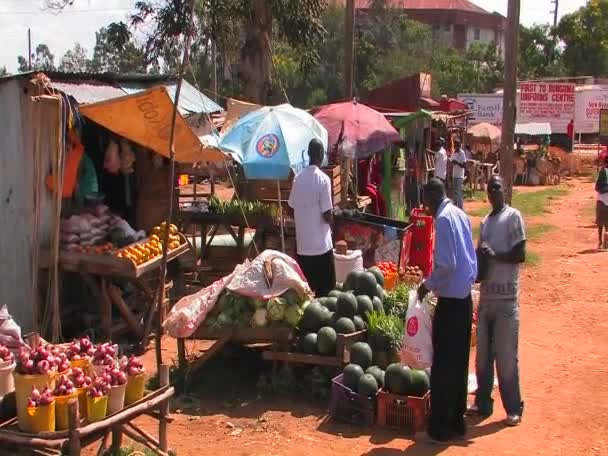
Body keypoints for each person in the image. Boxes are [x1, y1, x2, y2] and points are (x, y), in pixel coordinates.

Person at [417, 178, 477, 443]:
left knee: (442, 365)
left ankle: (439, 427)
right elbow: (470, 259)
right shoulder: (460, 213)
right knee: (459, 363)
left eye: (424, 201)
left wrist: (426, 286)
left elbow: (447, 265)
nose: (424, 207)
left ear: (431, 196)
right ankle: (457, 420)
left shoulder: (442, 219)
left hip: (451, 303)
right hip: (464, 300)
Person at [468, 175, 526, 427]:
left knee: (505, 358)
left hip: (506, 300)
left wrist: (496, 256)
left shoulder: (513, 216)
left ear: (505, 191)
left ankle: (513, 407)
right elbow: (482, 265)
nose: (494, 193)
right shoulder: (485, 222)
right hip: (487, 298)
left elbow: (520, 254)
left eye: (498, 188)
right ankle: (483, 402)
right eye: (490, 189)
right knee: (482, 358)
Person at [288, 139, 336, 297]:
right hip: (321, 247)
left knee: (306, 294)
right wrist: (336, 219)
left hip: (303, 247)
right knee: (327, 293)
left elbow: (290, 208)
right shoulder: (323, 179)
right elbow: (327, 215)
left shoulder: (297, 178)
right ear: (322, 155)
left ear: (308, 154)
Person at [595, 155, 608, 249]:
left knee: (600, 223)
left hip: (601, 200)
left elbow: (597, 187)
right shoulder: (603, 171)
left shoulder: (603, 171)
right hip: (603, 199)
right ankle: (604, 243)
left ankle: (601, 242)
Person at [451, 139, 467, 210]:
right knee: (454, 192)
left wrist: (457, 162)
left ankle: (460, 208)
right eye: (455, 145)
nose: (456, 147)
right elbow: (452, 161)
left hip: (460, 175)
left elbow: (464, 165)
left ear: (459, 145)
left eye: (457, 145)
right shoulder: (454, 152)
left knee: (459, 192)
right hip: (454, 174)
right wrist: (453, 162)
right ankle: (455, 207)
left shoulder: (462, 153)